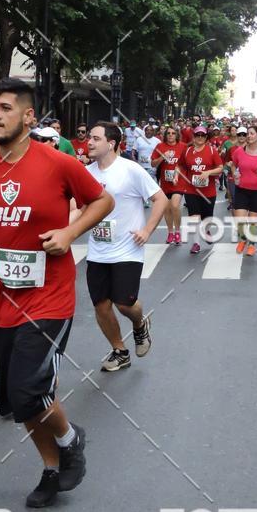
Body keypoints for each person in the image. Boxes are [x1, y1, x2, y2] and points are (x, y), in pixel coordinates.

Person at [0, 78, 113, 508]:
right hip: (0, 300)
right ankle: (54, 465)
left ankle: (69, 438)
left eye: (5, 107)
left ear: (28, 116)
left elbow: (102, 202)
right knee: (20, 402)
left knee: (28, 390)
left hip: (49, 299)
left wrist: (70, 231)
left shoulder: (57, 162)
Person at [85, 122, 166, 371]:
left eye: (95, 138)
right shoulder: (86, 173)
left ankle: (140, 323)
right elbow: (77, 206)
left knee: (124, 304)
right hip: (97, 250)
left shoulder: (130, 170)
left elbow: (160, 199)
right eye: (89, 137)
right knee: (101, 306)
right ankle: (120, 351)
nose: (89, 142)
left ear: (111, 144)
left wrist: (147, 230)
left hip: (127, 249)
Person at [178, 125, 223, 254]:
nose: (200, 138)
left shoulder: (212, 151)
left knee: (207, 218)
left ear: (206, 137)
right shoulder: (187, 151)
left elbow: (220, 167)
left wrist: (208, 173)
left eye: (202, 135)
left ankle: (206, 230)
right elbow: (180, 165)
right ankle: (196, 243)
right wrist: (177, 174)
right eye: (197, 135)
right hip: (191, 189)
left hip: (208, 191)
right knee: (194, 218)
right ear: (194, 137)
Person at [230, 125, 257, 257]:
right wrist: (235, 174)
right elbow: (233, 164)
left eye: (252, 133)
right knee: (240, 219)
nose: (249, 136)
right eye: (247, 134)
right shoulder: (239, 151)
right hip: (241, 189)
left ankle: (252, 244)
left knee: (253, 221)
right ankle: (243, 239)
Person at [151, 126, 187, 245]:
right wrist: (162, 157)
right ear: (165, 135)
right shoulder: (160, 147)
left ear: (177, 135)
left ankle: (177, 232)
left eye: (173, 133)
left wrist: (178, 173)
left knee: (175, 205)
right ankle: (170, 232)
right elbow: (153, 164)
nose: (171, 135)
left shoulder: (183, 146)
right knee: (167, 209)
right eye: (168, 133)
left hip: (178, 182)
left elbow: (187, 163)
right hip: (165, 182)